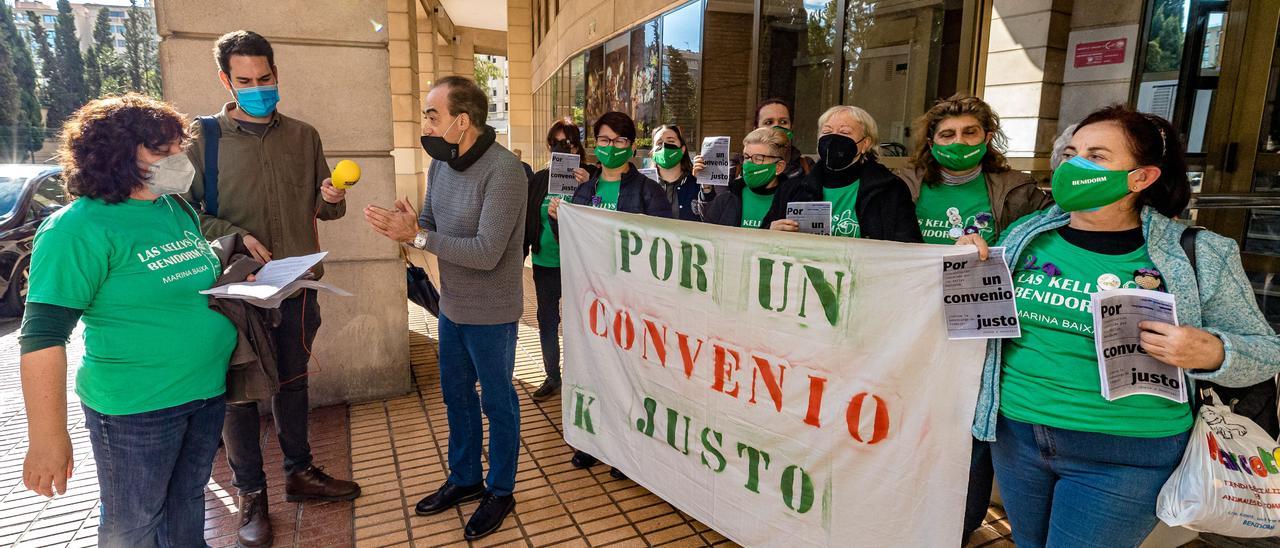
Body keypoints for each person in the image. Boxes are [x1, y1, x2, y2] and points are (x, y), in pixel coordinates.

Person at [958, 105, 1280, 547]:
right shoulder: (1026, 234)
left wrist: (1212, 352)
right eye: (1071, 152)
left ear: (1141, 178)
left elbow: (1265, 352)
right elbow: (983, 319)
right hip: (1018, 438)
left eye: (1097, 155)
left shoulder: (1199, 252)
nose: (1074, 165)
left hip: (1127, 453)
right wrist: (967, 266)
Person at [20, 94, 236, 547]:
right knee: (132, 524)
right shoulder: (76, 229)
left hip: (205, 392)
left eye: (179, 147)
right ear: (117, 154)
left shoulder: (173, 208)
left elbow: (178, 279)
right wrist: (47, 438)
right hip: (136, 410)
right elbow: (42, 338)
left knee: (187, 505)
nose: (179, 159)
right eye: (163, 151)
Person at [185, 30, 359, 547]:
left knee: (292, 382)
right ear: (226, 80)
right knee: (238, 394)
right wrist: (232, 235)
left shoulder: (304, 136)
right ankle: (252, 496)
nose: (258, 87)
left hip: (299, 285)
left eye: (266, 78)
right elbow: (181, 213)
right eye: (246, 80)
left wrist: (332, 193)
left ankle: (300, 473)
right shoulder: (202, 140)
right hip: (237, 292)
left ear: (277, 74)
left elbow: (326, 207)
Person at [364, 76, 527, 540]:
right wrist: (413, 225)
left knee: (498, 402)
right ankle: (465, 479)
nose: (426, 124)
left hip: (493, 312)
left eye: (433, 115)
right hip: (452, 308)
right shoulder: (441, 165)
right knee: (455, 396)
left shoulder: (505, 171)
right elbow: (432, 225)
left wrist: (415, 236)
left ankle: (500, 489)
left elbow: (486, 251)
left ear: (462, 120)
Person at [547, 111, 671, 474]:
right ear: (595, 144)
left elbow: (664, 247)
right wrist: (560, 221)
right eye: (603, 140)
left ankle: (625, 446)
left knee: (630, 375)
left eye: (619, 141)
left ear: (632, 146)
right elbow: (572, 246)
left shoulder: (649, 192)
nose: (611, 147)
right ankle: (594, 440)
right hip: (593, 301)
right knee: (594, 370)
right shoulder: (585, 190)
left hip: (632, 303)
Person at [900, 94, 1052, 245]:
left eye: (970, 133)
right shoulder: (902, 184)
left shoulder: (1018, 189)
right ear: (931, 144)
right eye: (947, 135)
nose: (959, 142)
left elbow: (1057, 223)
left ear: (987, 138)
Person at [762, 105, 922, 242]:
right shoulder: (792, 188)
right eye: (826, 132)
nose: (833, 139)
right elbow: (760, 241)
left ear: (866, 144)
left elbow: (908, 249)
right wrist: (771, 232)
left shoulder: (890, 190)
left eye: (844, 132)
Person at [523, 120, 596, 401]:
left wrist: (586, 188)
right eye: (555, 143)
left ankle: (583, 376)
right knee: (547, 320)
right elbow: (529, 219)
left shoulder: (591, 177)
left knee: (581, 323)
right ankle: (552, 375)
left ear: (577, 147)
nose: (561, 149)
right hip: (545, 264)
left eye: (567, 143)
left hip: (579, 265)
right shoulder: (540, 179)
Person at [693, 98, 814, 214]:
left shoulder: (807, 168)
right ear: (755, 129)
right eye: (769, 122)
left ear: (791, 128)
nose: (777, 127)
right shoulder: (734, 169)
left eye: (783, 122)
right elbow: (714, 217)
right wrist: (706, 185)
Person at [704, 127, 791, 228]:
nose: (748, 164)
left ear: (779, 167)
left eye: (758, 158)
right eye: (746, 157)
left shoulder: (792, 204)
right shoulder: (725, 200)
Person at [649, 124, 702, 220]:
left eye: (671, 141)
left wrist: (705, 184)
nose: (664, 146)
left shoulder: (696, 184)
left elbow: (711, 219)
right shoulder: (644, 184)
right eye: (659, 143)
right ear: (653, 153)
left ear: (682, 149)